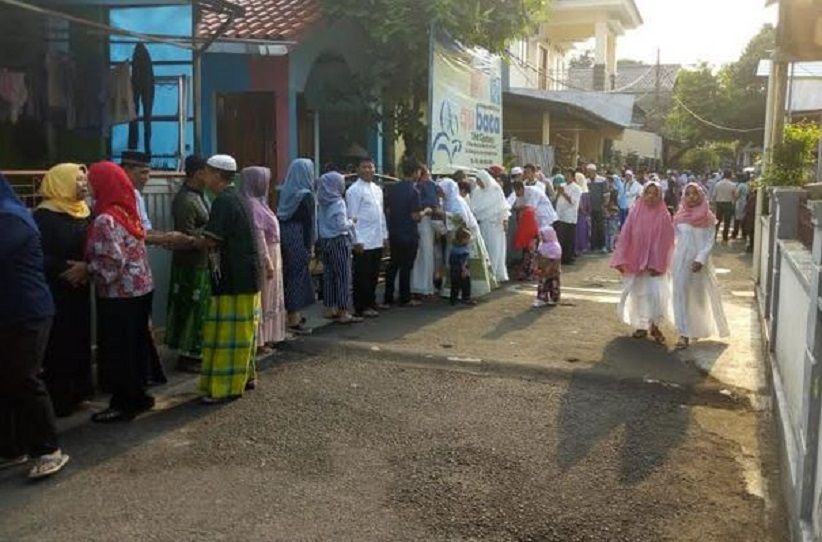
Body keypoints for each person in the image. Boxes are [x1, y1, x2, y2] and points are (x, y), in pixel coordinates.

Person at [0, 174, 70, 479]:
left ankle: (48, 449)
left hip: (28, 312)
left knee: (25, 378)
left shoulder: (10, 219)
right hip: (8, 312)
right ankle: (12, 449)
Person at [185, 155, 261, 403]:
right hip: (244, 275)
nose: (203, 176)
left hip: (234, 278)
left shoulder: (224, 201)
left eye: (206, 172)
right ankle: (246, 376)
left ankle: (225, 386)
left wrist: (183, 239)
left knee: (229, 334)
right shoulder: (236, 197)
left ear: (217, 175)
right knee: (243, 331)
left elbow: (211, 239)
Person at [85, 162, 156, 422]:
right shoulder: (127, 211)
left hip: (120, 294)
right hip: (141, 288)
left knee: (120, 350)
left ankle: (123, 404)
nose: (87, 186)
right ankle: (139, 396)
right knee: (136, 346)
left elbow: (112, 262)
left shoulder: (106, 218)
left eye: (92, 180)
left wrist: (87, 270)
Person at [32, 163, 93, 417]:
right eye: (78, 180)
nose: (83, 184)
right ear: (61, 182)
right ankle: (59, 398)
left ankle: (78, 392)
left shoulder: (85, 211)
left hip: (80, 285)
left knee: (80, 337)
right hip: (56, 285)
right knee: (59, 342)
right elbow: (37, 254)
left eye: (84, 180)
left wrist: (87, 267)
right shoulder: (43, 216)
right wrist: (66, 268)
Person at [120, 150, 167, 385]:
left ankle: (145, 374)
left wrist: (162, 237)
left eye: (149, 173)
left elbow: (144, 228)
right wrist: (167, 239)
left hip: (139, 270)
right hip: (121, 272)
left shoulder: (136, 196)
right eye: (142, 172)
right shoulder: (112, 196)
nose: (146, 178)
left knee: (141, 325)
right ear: (126, 170)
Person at [610, 181, 675, 345]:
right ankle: (641, 325)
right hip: (636, 262)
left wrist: (658, 264)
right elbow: (625, 235)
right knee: (639, 295)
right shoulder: (635, 212)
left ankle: (655, 325)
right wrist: (621, 258)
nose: (651, 196)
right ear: (643, 194)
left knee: (657, 296)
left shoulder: (663, 215)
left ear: (660, 196)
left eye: (655, 193)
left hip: (655, 266)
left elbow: (667, 242)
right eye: (648, 193)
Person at [165, 155, 211, 372]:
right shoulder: (186, 200)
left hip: (201, 261)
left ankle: (196, 351)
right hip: (190, 264)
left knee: (199, 308)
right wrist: (212, 235)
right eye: (208, 170)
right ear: (198, 173)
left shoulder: (200, 196)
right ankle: (188, 355)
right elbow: (185, 235)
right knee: (191, 308)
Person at [672, 183, 730, 350]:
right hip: (681, 261)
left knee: (699, 296)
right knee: (680, 294)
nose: (691, 197)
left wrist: (700, 259)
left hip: (700, 264)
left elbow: (710, 240)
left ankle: (696, 328)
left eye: (695, 193)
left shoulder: (708, 217)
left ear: (701, 195)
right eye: (688, 194)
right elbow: (676, 239)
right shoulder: (679, 217)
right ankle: (683, 333)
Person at [240, 166, 287, 350]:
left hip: (273, 252)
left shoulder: (260, 202)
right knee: (265, 296)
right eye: (264, 181)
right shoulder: (252, 205)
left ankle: (267, 337)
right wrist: (267, 261)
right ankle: (259, 340)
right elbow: (258, 237)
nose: (266, 185)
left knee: (272, 295)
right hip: (266, 254)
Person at [277, 158, 317, 333]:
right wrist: (311, 247)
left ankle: (290, 315)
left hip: (285, 236)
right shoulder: (306, 195)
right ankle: (294, 318)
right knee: (298, 276)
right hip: (299, 237)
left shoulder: (285, 191)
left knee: (288, 275)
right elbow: (309, 225)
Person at [347, 156, 389, 317]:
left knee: (373, 274)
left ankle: (371, 302)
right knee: (361, 275)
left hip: (377, 238)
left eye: (370, 167)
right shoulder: (354, 191)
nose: (368, 170)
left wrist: (385, 236)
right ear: (357, 170)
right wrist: (356, 240)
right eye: (364, 167)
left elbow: (381, 215)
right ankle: (361, 307)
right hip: (363, 240)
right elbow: (352, 217)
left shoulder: (377, 189)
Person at [317, 170, 361, 324]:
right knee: (343, 276)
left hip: (325, 241)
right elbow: (342, 225)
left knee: (329, 276)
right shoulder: (338, 202)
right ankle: (344, 311)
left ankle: (329, 308)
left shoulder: (322, 201)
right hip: (339, 241)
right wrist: (352, 221)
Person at [439, 177, 495, 298]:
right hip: (455, 237)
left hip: (465, 236)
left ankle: (468, 292)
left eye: (442, 190)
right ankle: (454, 292)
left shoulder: (456, 201)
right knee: (455, 264)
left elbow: (462, 219)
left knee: (465, 264)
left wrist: (443, 215)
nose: (440, 192)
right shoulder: (447, 201)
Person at [384, 155, 425, 307]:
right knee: (406, 267)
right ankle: (405, 297)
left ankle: (388, 297)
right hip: (409, 233)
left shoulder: (393, 189)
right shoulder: (414, 192)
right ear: (415, 172)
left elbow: (388, 210)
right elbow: (415, 216)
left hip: (394, 232)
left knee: (393, 265)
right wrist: (425, 211)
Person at [508, 179, 559, 280]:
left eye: (518, 192)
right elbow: (518, 207)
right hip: (532, 223)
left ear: (521, 189)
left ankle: (544, 267)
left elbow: (530, 208)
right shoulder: (520, 196)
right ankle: (533, 269)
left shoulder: (532, 191)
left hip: (543, 217)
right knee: (531, 250)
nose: (517, 194)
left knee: (542, 245)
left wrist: (518, 209)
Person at [471, 169, 510, 282]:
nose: (479, 183)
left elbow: (503, 207)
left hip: (495, 225)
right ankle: (486, 274)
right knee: (485, 249)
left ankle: (494, 275)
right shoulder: (477, 191)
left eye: (480, 181)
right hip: (483, 225)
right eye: (477, 181)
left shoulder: (496, 190)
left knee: (495, 249)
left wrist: (505, 220)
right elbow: (474, 207)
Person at [411, 165, 440, 296]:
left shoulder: (419, 187)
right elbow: (433, 203)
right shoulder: (424, 187)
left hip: (423, 223)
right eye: (426, 175)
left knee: (422, 254)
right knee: (424, 253)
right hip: (424, 222)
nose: (428, 178)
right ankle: (422, 285)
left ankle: (420, 284)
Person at [554, 174, 581, 265]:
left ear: (573, 177)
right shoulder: (562, 186)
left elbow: (573, 202)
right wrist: (558, 193)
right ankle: (561, 257)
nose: (567, 177)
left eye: (569, 176)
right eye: (566, 175)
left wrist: (564, 193)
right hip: (560, 215)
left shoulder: (576, 188)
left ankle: (569, 258)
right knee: (561, 237)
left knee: (569, 238)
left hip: (570, 216)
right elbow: (556, 198)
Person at [533, 224, 562, 308]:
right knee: (542, 284)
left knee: (554, 284)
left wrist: (548, 268)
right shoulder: (542, 245)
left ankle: (554, 299)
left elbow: (554, 260)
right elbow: (538, 256)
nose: (541, 237)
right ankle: (542, 299)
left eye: (542, 235)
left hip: (553, 270)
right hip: (542, 270)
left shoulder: (555, 247)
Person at [449, 226, 473, 306]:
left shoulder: (454, 248)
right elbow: (463, 262)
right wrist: (464, 270)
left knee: (454, 286)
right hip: (461, 270)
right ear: (463, 239)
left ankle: (453, 299)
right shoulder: (463, 250)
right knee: (465, 285)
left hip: (453, 270)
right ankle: (466, 298)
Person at [586, 164, 607, 252]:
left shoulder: (602, 180)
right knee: (592, 227)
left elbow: (606, 194)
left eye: (591, 171)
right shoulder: (586, 181)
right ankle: (593, 246)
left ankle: (602, 246)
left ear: (594, 171)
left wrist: (604, 205)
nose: (589, 173)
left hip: (600, 207)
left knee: (601, 227)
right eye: (588, 171)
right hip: (590, 208)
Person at [712, 170, 737, 242]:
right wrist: (734, 202)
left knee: (717, 220)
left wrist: (714, 205)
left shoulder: (717, 184)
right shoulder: (733, 185)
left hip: (719, 203)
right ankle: (725, 237)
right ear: (730, 176)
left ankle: (714, 235)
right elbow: (735, 196)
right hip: (728, 203)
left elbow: (714, 195)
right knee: (727, 221)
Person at [574, 171, 592, 255]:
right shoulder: (586, 191)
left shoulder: (578, 190)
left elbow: (579, 204)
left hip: (578, 214)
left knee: (578, 231)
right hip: (583, 215)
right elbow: (588, 205)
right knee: (583, 230)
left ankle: (577, 247)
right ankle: (583, 247)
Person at [603, 175, 620, 253]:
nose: (607, 183)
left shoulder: (614, 190)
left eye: (608, 181)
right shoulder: (606, 190)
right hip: (607, 211)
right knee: (607, 230)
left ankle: (611, 246)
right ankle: (607, 246)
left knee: (612, 230)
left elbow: (613, 201)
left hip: (613, 211)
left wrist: (609, 210)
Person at [733, 174, 749, 240]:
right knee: (744, 219)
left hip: (740, 203)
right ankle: (744, 234)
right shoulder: (747, 185)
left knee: (737, 219)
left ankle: (735, 233)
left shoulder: (740, 185)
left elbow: (737, 195)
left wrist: (734, 198)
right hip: (745, 202)